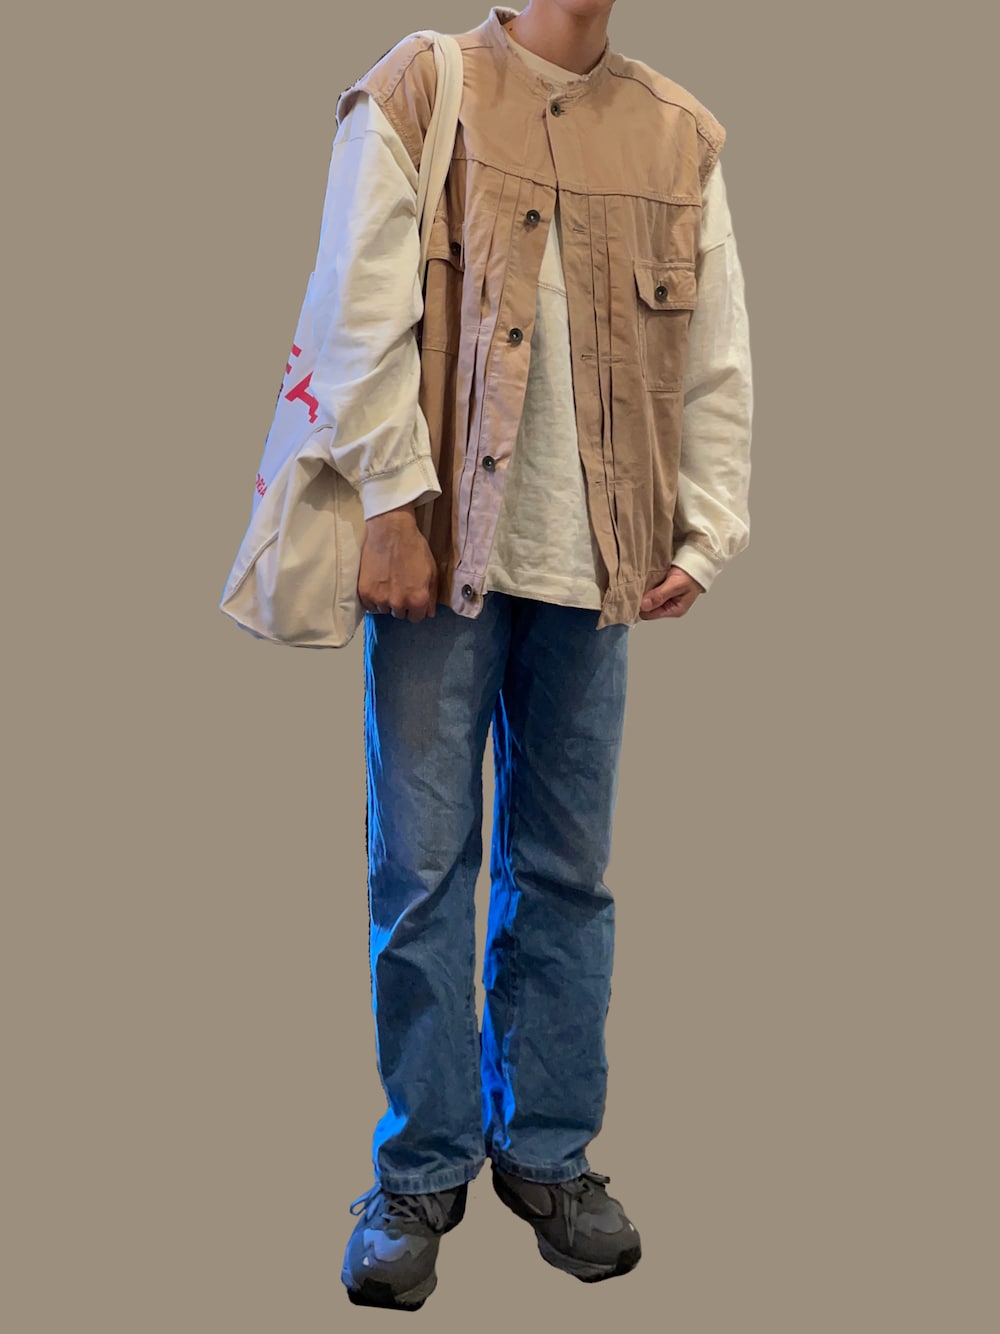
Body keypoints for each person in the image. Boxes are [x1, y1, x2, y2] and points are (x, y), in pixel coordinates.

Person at [301, 2, 752, 1310]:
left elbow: (715, 356)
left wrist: (707, 529)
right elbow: (355, 307)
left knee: (567, 877)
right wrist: (390, 503)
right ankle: (420, 1168)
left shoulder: (677, 134)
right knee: (421, 874)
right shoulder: (422, 85)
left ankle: (548, 1153)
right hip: (441, 550)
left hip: (599, 564)